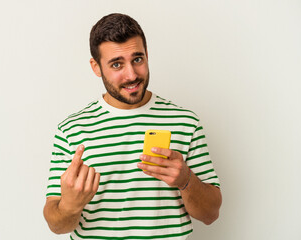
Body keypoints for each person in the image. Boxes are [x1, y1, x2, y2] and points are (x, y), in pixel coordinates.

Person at [43, 13, 222, 239]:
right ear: (96, 67)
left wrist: (186, 180)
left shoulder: (186, 122)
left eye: (137, 59)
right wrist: (69, 206)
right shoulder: (71, 130)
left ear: (147, 55)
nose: (132, 74)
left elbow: (211, 214)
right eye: (117, 64)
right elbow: (57, 226)